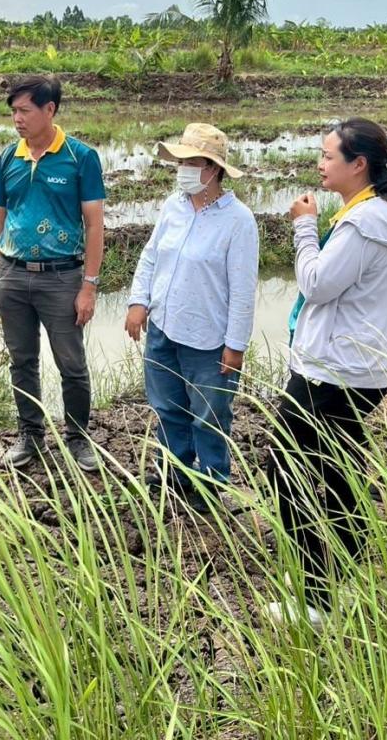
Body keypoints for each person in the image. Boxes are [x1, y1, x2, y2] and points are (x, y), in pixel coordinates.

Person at [264, 118, 387, 628]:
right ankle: (342, 579)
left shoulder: (360, 224)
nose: (320, 164)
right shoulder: (381, 218)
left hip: (331, 374)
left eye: (329, 156)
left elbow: (316, 284)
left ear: (359, 165)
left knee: (292, 475)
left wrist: (304, 225)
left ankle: (316, 600)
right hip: (358, 371)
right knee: (335, 474)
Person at [124, 123, 258, 511]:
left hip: (209, 341)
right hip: (164, 329)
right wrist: (138, 302)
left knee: (209, 415)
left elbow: (243, 289)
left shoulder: (238, 220)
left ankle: (212, 481)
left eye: (191, 162)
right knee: (168, 408)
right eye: (179, 161)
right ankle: (176, 472)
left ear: (213, 169)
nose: (182, 169)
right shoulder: (173, 205)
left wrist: (235, 346)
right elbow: (151, 256)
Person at [0, 75, 106, 471]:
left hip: (61, 277)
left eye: (24, 110)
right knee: (22, 361)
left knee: (71, 363)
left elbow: (95, 225)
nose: (17, 118)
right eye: (13, 111)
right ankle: (30, 437)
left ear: (50, 110)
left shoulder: (80, 157)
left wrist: (89, 286)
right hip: (12, 276)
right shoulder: (8, 158)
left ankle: (79, 440)